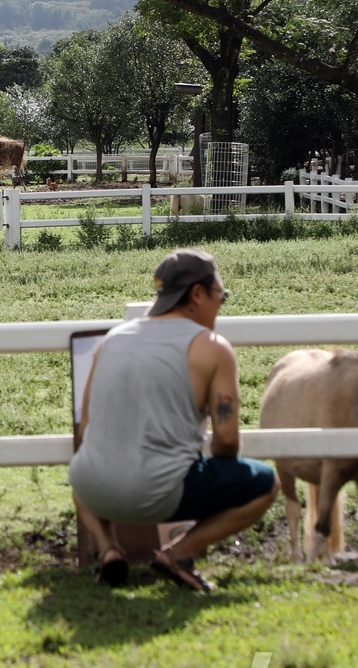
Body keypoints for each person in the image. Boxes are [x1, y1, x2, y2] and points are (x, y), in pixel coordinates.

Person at [69, 249, 279, 592]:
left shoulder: (113, 339)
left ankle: (108, 549)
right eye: (220, 296)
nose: (220, 305)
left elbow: (86, 425)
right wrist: (214, 476)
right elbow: (226, 441)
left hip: (89, 489)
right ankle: (178, 553)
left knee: (87, 464)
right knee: (265, 483)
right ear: (198, 294)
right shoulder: (212, 347)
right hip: (158, 496)